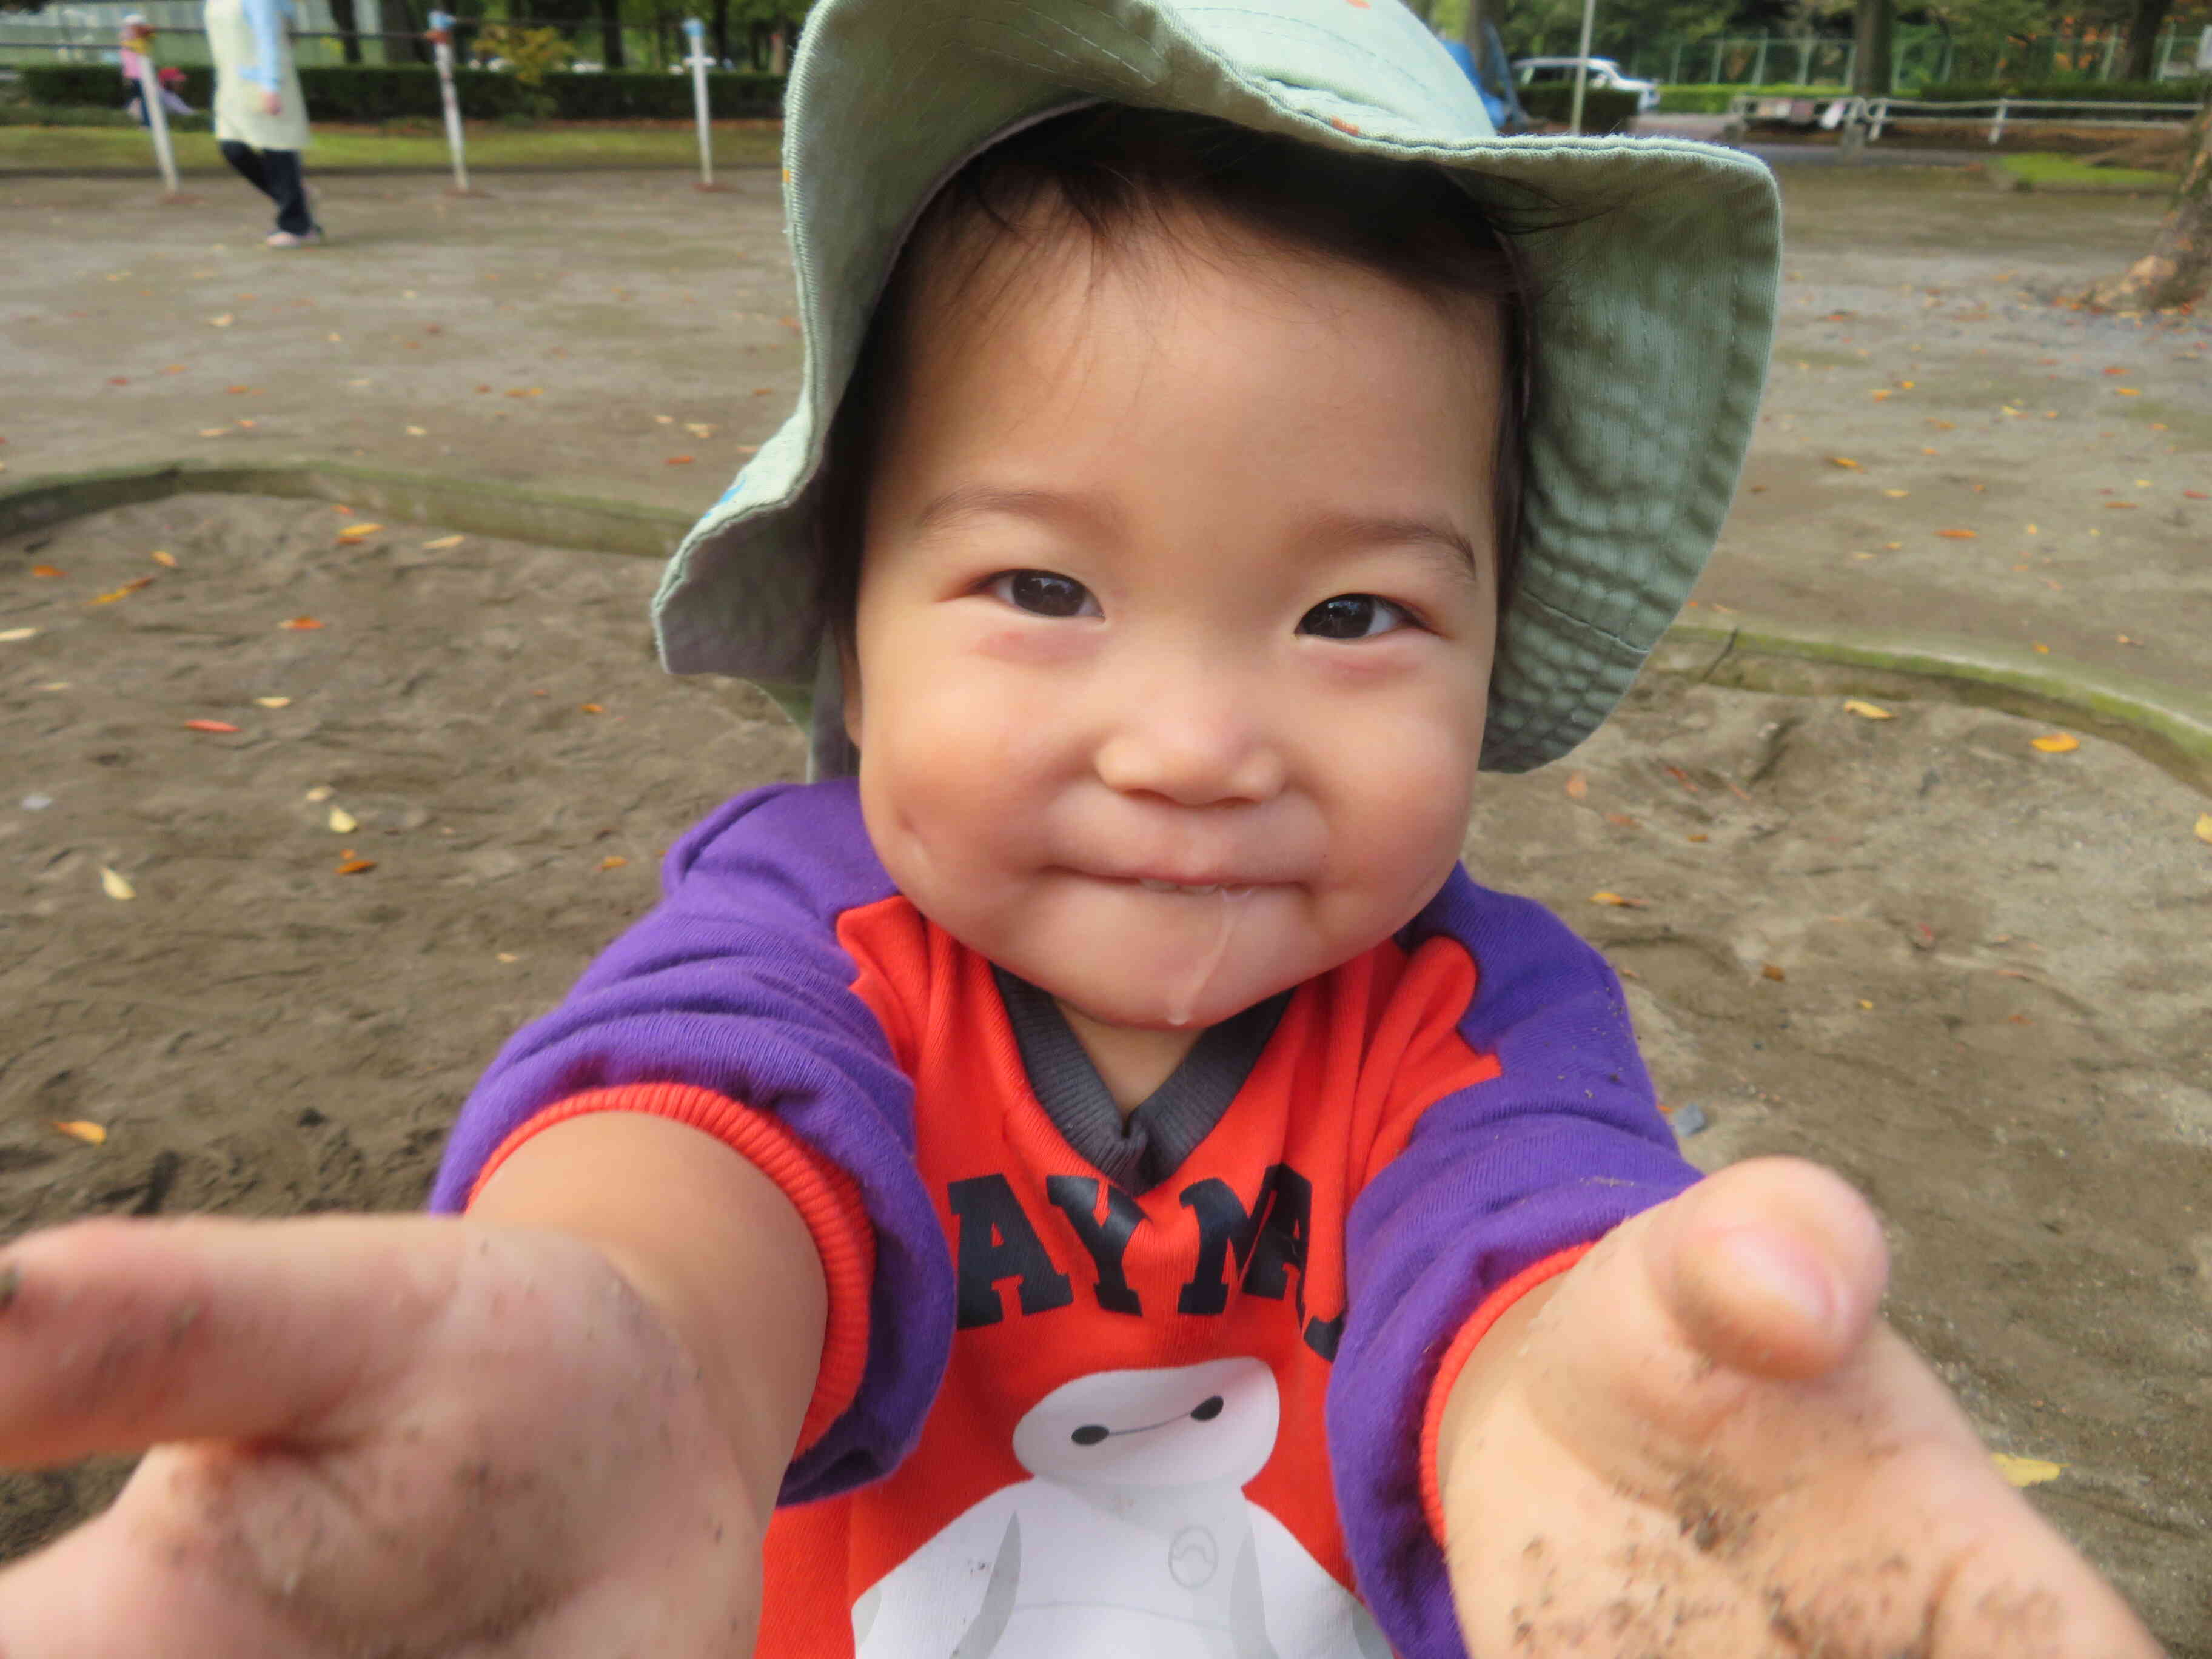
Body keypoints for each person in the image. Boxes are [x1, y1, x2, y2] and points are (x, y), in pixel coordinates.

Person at [0, 0, 2167, 1653]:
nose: (1194, 739)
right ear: (848, 617)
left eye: (1349, 611)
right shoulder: (806, 932)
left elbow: (1517, 1254)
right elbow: (709, 1135)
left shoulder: (1469, 1018)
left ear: (1488, 640)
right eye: (1044, 588)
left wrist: (1606, 1416)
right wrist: (632, 1329)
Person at [203, 0, 320, 247]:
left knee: (278, 150)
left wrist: (270, 85)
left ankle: (297, 227)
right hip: (231, 86)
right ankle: (297, 198)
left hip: (263, 83)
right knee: (232, 149)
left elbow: (270, 37)